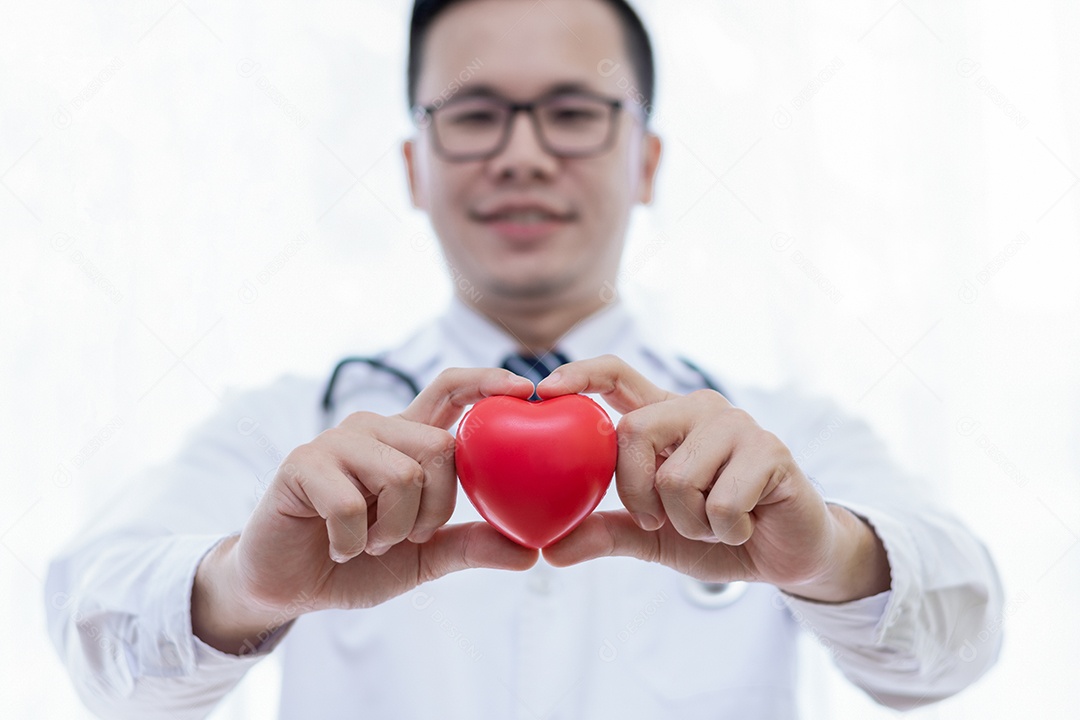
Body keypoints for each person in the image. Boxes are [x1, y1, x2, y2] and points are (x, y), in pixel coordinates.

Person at [46, 0, 1004, 717]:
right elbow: (97, 641)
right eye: (473, 115)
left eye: (574, 111)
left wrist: (832, 554)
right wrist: (245, 586)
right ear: (415, 167)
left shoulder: (783, 439)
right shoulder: (287, 432)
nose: (522, 154)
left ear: (648, 160)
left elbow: (963, 640)